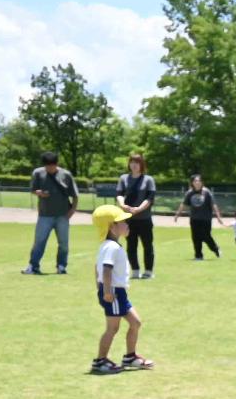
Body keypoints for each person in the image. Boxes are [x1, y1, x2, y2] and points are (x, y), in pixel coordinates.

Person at [89, 204, 153, 374]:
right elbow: (106, 269)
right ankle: (100, 361)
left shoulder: (109, 245)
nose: (127, 224)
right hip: (114, 293)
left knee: (136, 323)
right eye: (122, 222)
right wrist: (107, 291)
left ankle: (130, 357)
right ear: (112, 226)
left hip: (118, 292)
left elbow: (97, 268)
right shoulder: (111, 247)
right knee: (112, 328)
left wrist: (100, 289)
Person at [23, 151, 78, 276]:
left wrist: (72, 210)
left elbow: (75, 195)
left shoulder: (66, 175)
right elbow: (33, 189)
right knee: (39, 242)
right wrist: (39, 193)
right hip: (44, 215)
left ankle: (61, 266)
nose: (50, 168)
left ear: (56, 164)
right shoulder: (37, 173)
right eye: (47, 166)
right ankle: (33, 266)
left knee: (63, 243)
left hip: (62, 215)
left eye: (52, 166)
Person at [115, 153, 159, 280]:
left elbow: (150, 198)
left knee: (147, 245)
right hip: (128, 218)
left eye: (137, 162)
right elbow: (119, 194)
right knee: (131, 245)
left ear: (142, 165)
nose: (134, 165)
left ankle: (149, 271)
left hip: (144, 218)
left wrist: (139, 209)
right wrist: (123, 205)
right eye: (132, 162)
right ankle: (135, 270)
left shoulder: (148, 180)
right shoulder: (123, 178)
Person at [175, 174, 224, 259]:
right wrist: (177, 214)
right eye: (195, 181)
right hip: (194, 219)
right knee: (196, 237)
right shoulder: (190, 193)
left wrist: (218, 217)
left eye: (199, 181)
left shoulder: (207, 192)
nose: (197, 183)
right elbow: (183, 204)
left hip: (206, 219)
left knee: (206, 236)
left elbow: (214, 205)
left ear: (202, 182)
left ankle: (216, 249)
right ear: (192, 183)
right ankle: (198, 255)